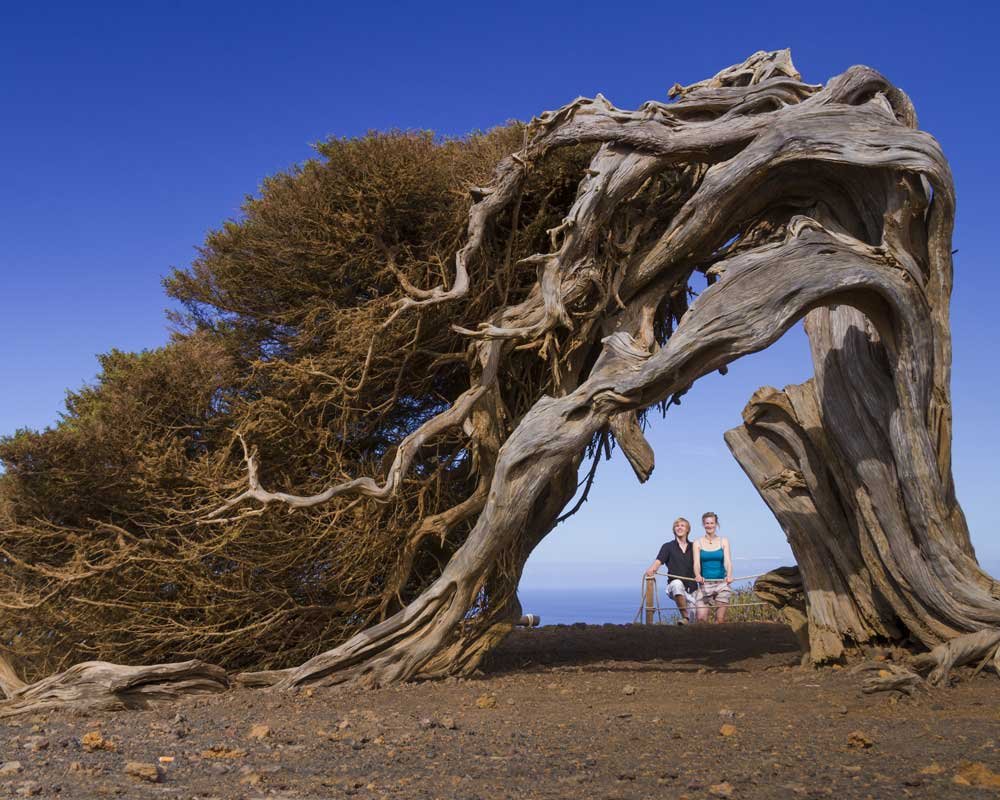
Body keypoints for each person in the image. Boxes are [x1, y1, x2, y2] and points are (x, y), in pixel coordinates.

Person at [645, 517, 697, 624]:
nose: (679, 528)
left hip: (692, 589)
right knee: (677, 584)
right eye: (677, 526)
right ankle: (685, 617)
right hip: (674, 587)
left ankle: (688, 623)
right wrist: (651, 570)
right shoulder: (667, 547)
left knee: (696, 620)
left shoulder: (694, 547)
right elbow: (658, 562)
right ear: (674, 530)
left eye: (682, 525)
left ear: (688, 529)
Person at [693, 511, 733, 623]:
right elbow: (696, 562)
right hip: (704, 584)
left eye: (711, 523)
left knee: (720, 620)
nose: (709, 525)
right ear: (703, 525)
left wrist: (729, 575)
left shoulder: (724, 541)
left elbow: (728, 561)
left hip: (721, 583)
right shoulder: (697, 542)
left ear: (716, 524)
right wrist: (697, 575)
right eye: (707, 523)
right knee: (701, 619)